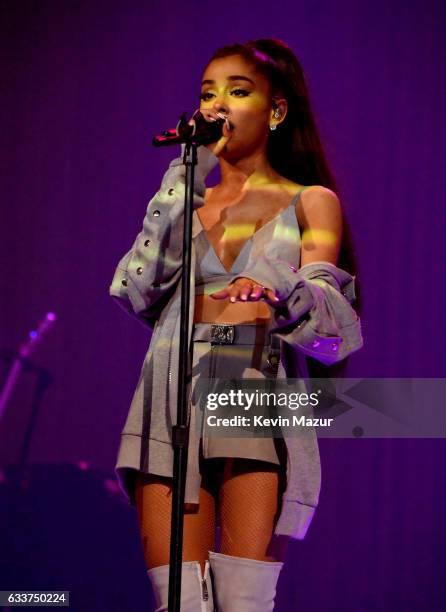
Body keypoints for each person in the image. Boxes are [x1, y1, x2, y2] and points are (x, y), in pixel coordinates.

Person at [109, 39, 363, 612]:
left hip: (253, 386)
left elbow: (331, 311)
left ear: (276, 111)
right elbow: (136, 288)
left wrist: (282, 294)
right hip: (171, 389)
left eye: (238, 91)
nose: (217, 104)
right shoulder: (184, 198)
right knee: (177, 601)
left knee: (242, 601)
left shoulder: (310, 201)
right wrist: (182, 177)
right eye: (207, 93)